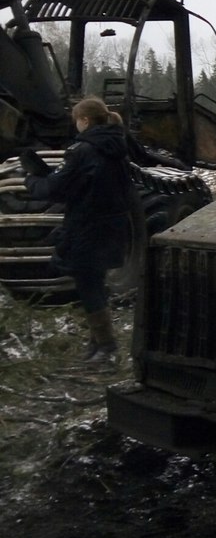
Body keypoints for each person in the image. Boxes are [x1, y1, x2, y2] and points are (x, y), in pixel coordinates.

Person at [20, 96, 134, 363]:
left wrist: (32, 180)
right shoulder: (117, 146)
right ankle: (99, 344)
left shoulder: (82, 150)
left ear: (84, 120)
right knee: (96, 281)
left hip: (87, 227)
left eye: (76, 120)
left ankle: (106, 347)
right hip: (113, 226)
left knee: (88, 284)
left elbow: (56, 189)